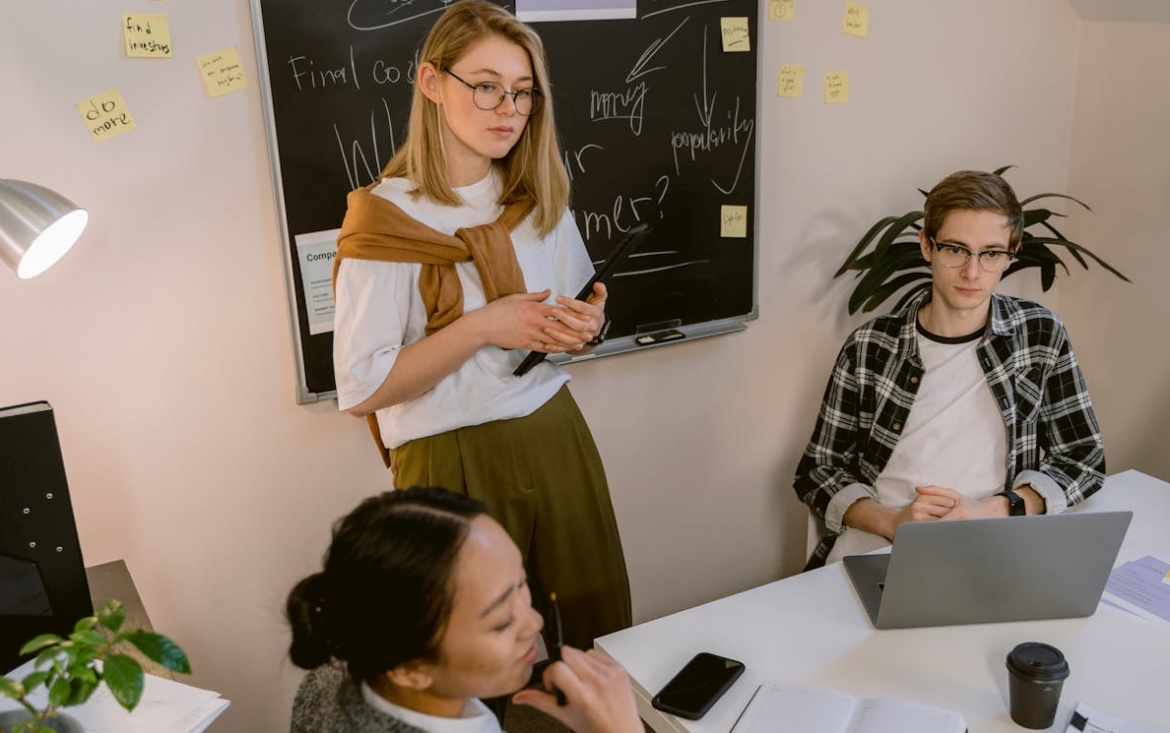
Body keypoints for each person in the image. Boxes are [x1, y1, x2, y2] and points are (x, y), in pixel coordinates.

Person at [330, 0, 631, 649]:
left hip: (554, 433)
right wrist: (484, 326)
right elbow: (360, 389)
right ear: (433, 84)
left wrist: (585, 324)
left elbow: (571, 314)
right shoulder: (384, 223)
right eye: (487, 86)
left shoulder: (536, 196)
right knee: (470, 649)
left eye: (522, 93)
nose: (509, 109)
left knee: (588, 634)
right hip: (448, 455)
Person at [794, 170, 1106, 569]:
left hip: (993, 543)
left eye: (991, 253)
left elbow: (1083, 459)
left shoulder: (1040, 334)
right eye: (956, 249)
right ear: (927, 245)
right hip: (877, 544)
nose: (972, 273)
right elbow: (818, 470)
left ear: (1012, 254)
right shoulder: (870, 346)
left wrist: (996, 509)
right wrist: (891, 522)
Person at [286, 487, 643, 733]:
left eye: (522, 584)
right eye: (501, 622)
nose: (534, 621)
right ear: (410, 669)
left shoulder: (339, 664)